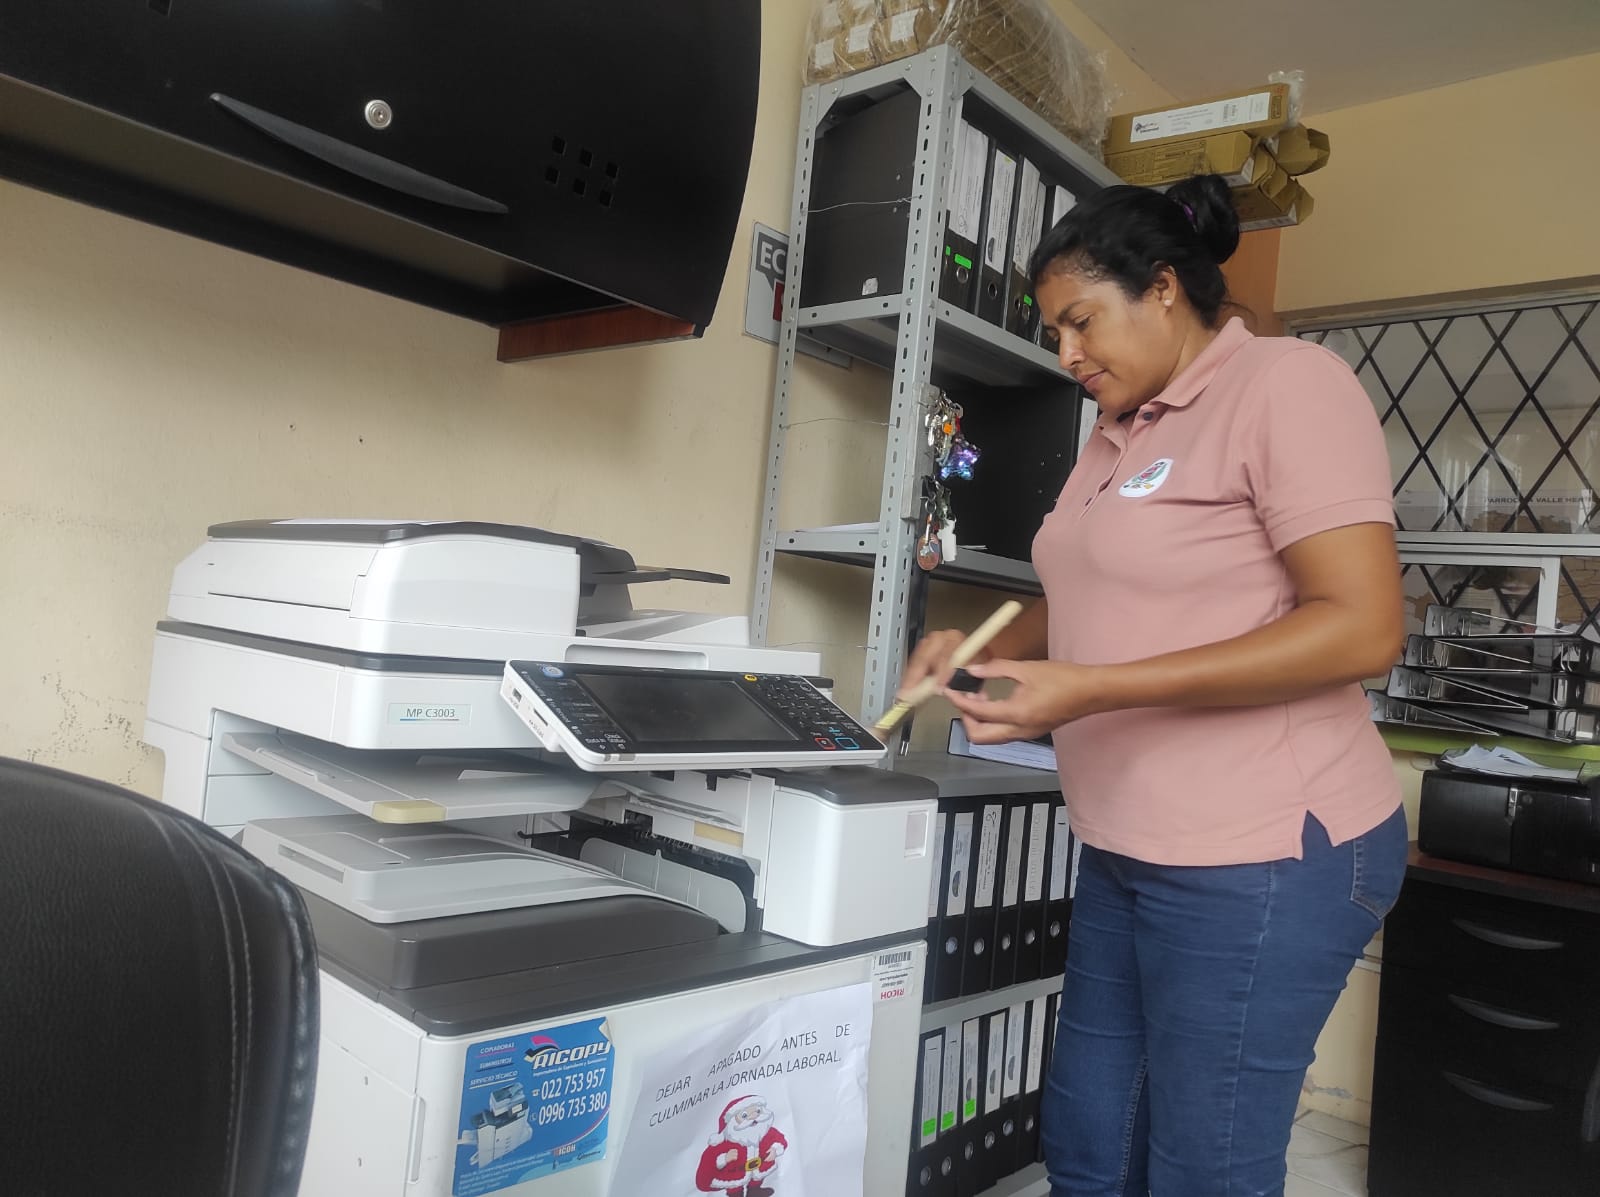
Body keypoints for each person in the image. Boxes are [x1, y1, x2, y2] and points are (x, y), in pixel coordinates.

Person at [898, 173, 1408, 1197]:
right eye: (1053, 332)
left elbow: (1362, 627)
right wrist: (980, 649)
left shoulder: (1285, 386)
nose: (1066, 354)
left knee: (1201, 1166)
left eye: (1081, 322)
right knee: (1089, 1145)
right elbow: (1086, 595)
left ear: (1164, 288)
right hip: (1126, 844)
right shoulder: (1116, 429)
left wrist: (1090, 689)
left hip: (1264, 851)